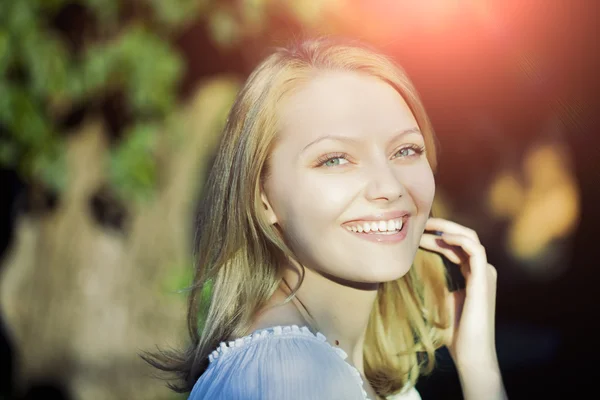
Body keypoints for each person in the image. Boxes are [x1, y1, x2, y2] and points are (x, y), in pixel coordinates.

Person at [144, 37, 508, 400]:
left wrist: (478, 364)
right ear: (262, 198)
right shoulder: (288, 376)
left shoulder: (346, 371)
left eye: (406, 150)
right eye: (335, 159)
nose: (390, 186)